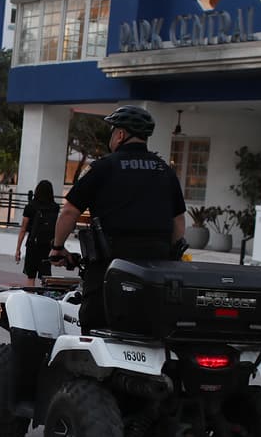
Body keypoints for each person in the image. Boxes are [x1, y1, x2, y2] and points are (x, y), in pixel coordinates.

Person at [49, 105, 186, 330]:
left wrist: (57, 248)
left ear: (121, 134)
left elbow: (69, 211)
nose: (111, 136)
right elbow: (178, 222)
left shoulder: (103, 168)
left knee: (94, 322)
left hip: (110, 267)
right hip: (155, 268)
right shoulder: (165, 171)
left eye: (113, 131)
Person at [15, 180, 60, 287]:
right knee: (45, 276)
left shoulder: (30, 206)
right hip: (48, 245)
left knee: (31, 276)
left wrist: (18, 249)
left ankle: (32, 299)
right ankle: (45, 299)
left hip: (33, 245)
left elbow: (23, 229)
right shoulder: (55, 207)